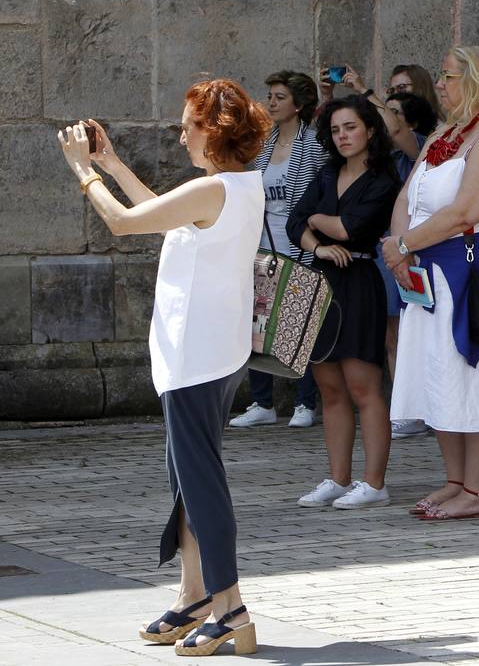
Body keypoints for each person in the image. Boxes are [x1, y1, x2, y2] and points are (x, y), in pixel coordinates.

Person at [57, 80, 269, 655]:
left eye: (188, 126)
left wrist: (85, 171)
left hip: (198, 356)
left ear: (214, 132)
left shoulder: (215, 189)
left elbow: (127, 223)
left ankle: (232, 608)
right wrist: (113, 161)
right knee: (188, 480)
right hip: (205, 353)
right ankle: (195, 594)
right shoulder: (236, 187)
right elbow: (163, 215)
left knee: (200, 484)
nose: (180, 136)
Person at [382, 46, 479, 520]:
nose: (440, 86)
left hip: (474, 267)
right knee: (437, 374)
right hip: (427, 264)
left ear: (476, 82)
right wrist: (401, 242)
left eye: (447, 77)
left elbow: (466, 211)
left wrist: (402, 246)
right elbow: (409, 194)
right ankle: (454, 479)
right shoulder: (444, 134)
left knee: (476, 375)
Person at [288, 96, 401, 510]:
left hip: (359, 281)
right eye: (336, 130)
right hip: (321, 280)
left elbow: (349, 226)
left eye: (350, 127)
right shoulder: (325, 173)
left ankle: (374, 483)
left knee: (363, 386)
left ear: (369, 130)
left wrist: (317, 223)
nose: (343, 136)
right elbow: (292, 222)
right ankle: (338, 479)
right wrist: (317, 248)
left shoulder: (383, 181)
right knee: (329, 388)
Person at [230, 70, 326, 430]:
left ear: (299, 104)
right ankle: (262, 401)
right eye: (269, 95)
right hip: (263, 244)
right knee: (257, 324)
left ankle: (305, 403)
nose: (271, 102)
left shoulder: (314, 144)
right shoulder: (263, 145)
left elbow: (322, 193)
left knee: (302, 324)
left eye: (280, 97)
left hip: (299, 243)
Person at [379, 91, 440, 441]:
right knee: (393, 331)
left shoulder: (418, 144)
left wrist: (365, 92)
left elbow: (396, 131)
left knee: (416, 326)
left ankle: (424, 407)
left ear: (412, 122)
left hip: (417, 247)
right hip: (392, 246)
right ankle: (406, 407)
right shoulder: (384, 155)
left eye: (395, 112)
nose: (387, 118)